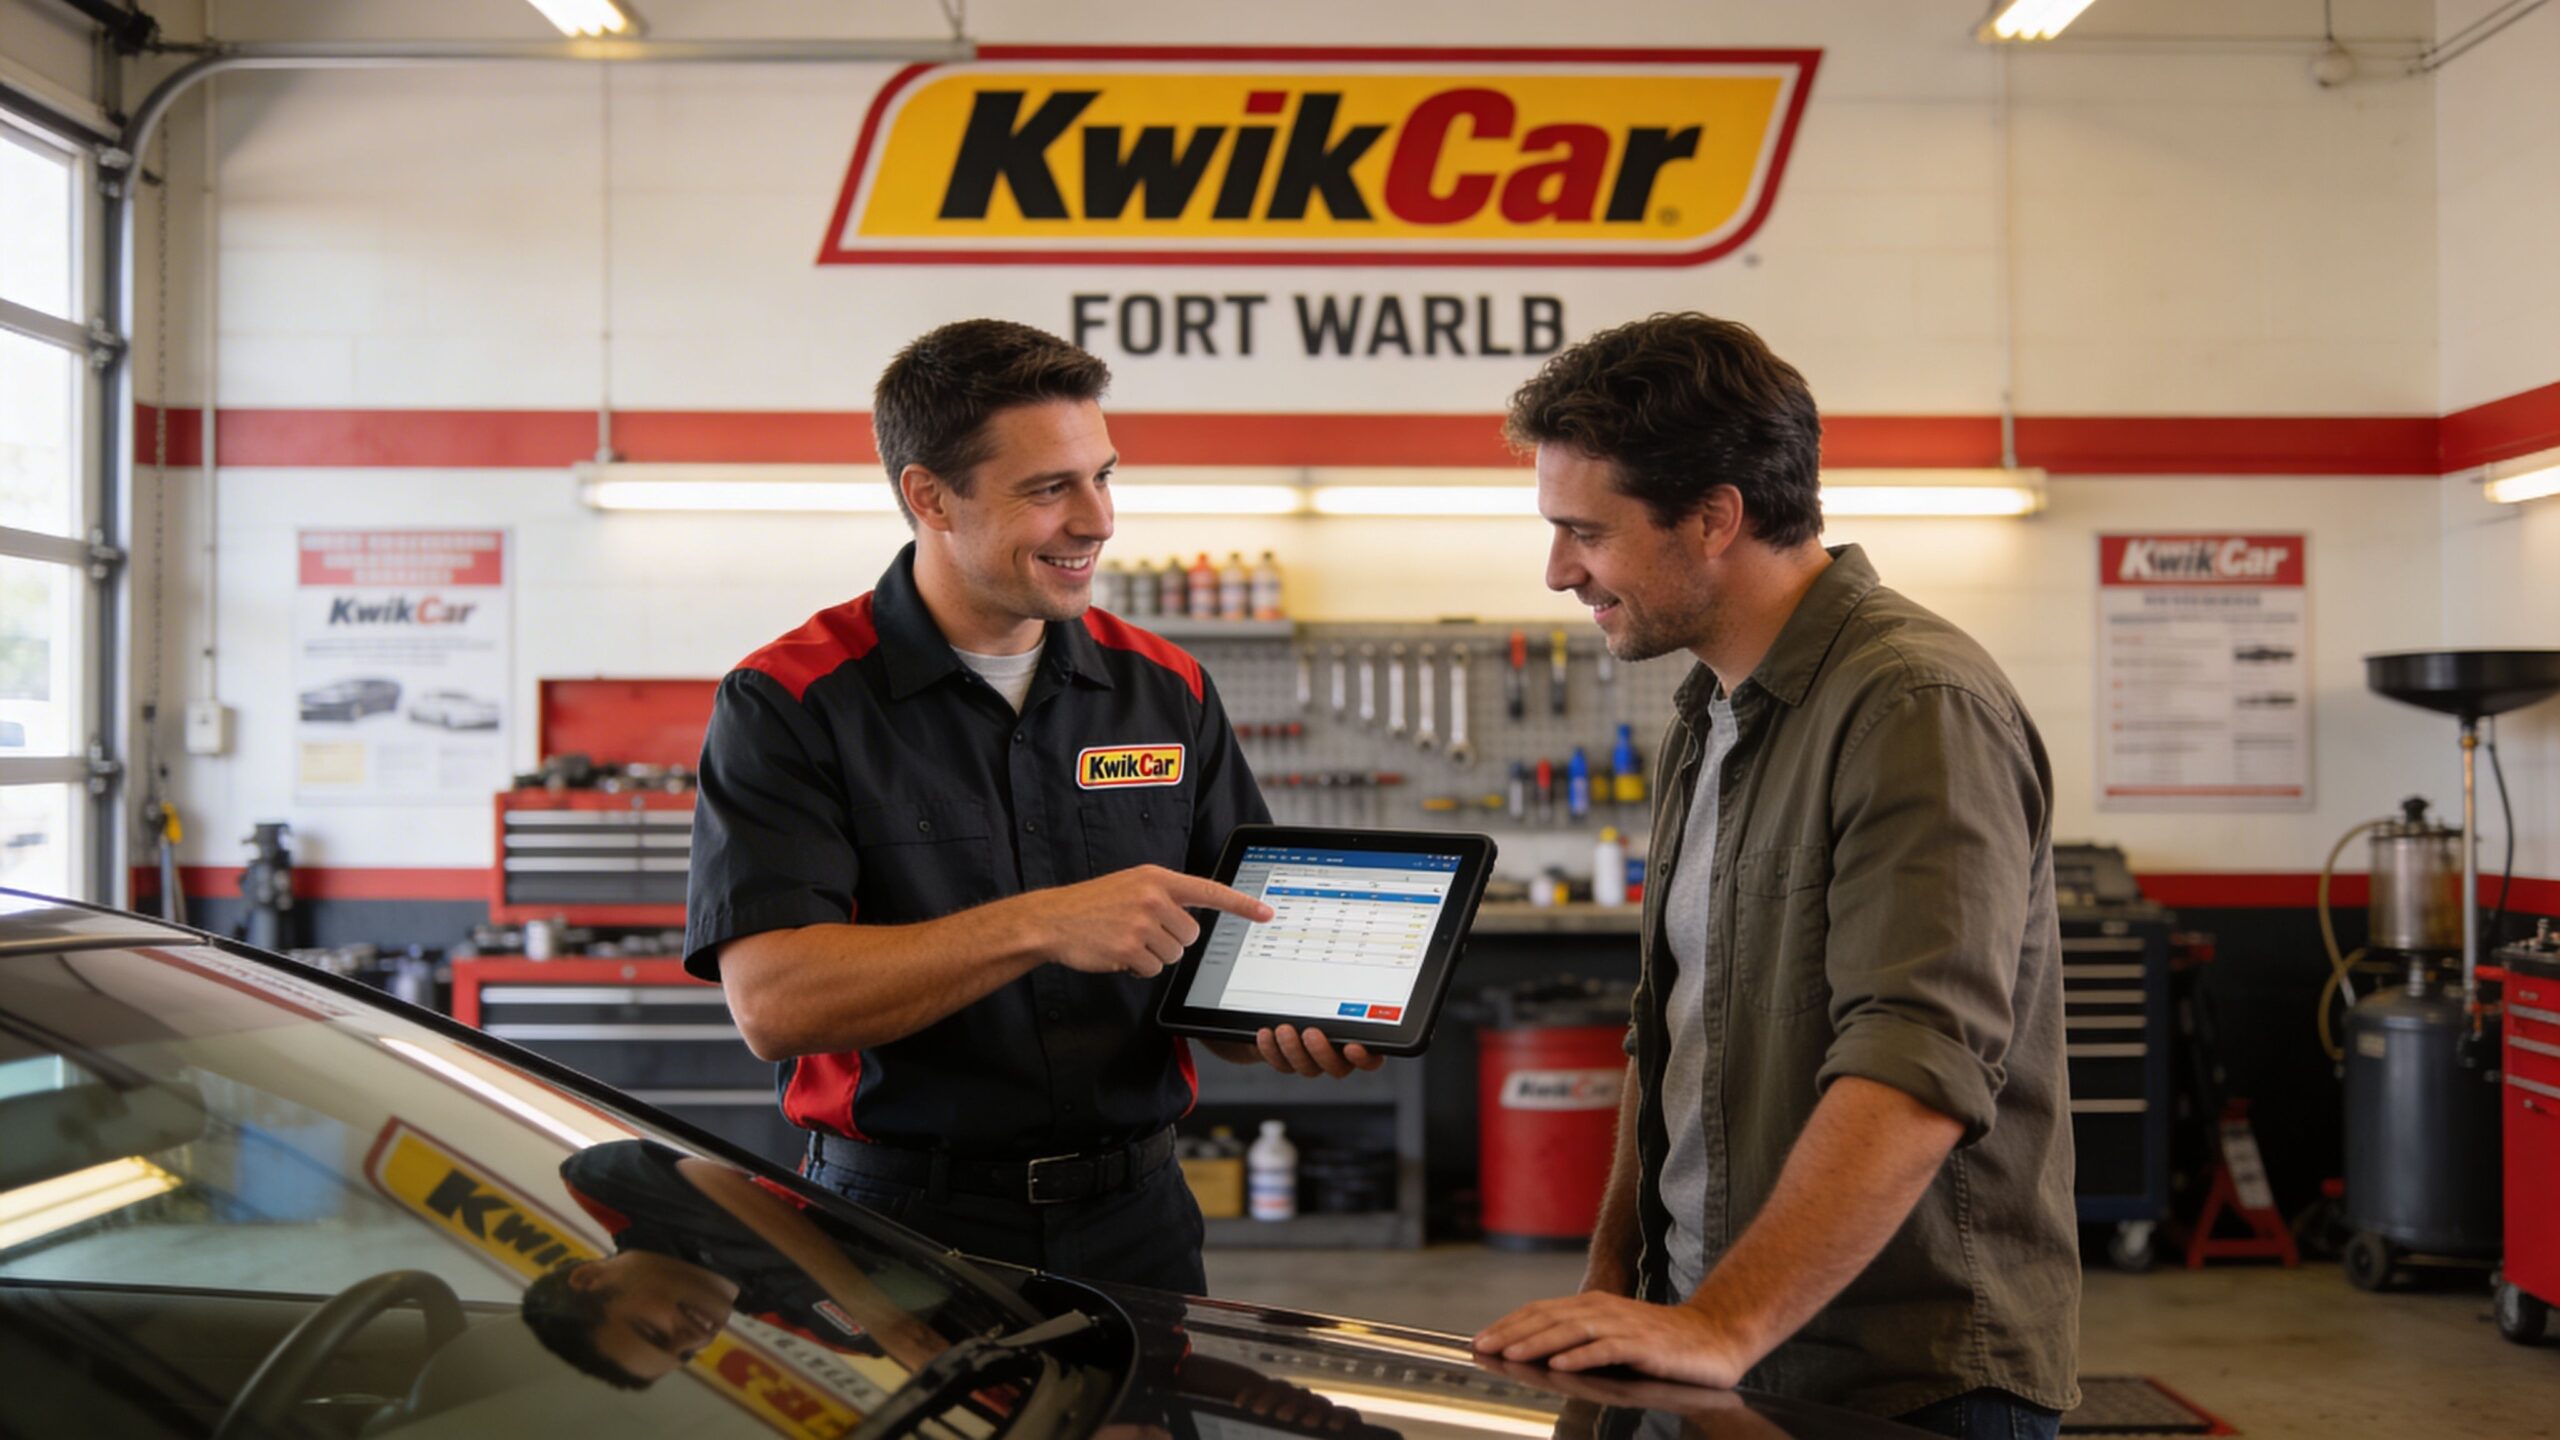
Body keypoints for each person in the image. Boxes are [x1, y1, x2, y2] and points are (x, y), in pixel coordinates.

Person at [1471, 313, 2080, 1437]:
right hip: (1709, 1350)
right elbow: (1667, 1038)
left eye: (1584, 532)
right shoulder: (1706, 717)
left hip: (1897, 1384)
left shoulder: (1912, 705)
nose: (1559, 571)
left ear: (1714, 517)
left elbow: (1917, 1058)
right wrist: (1615, 1289)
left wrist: (1721, 1328)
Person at [685, 319, 1376, 1298]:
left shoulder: (1164, 686)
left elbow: (1222, 965)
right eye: (1050, 489)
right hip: (900, 1233)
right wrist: (1043, 924)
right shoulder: (791, 701)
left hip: (1137, 1223)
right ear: (929, 495)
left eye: (1103, 476)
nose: (1096, 520)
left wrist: (1293, 1018)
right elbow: (776, 1001)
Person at [524, 1139, 955, 1389]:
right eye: (685, 1353)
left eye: (654, 1332)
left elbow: (711, 1175)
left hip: (911, 1140)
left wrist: (884, 1319)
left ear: (589, 1276)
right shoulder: (825, 1330)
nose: (693, 1337)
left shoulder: (603, 1185)